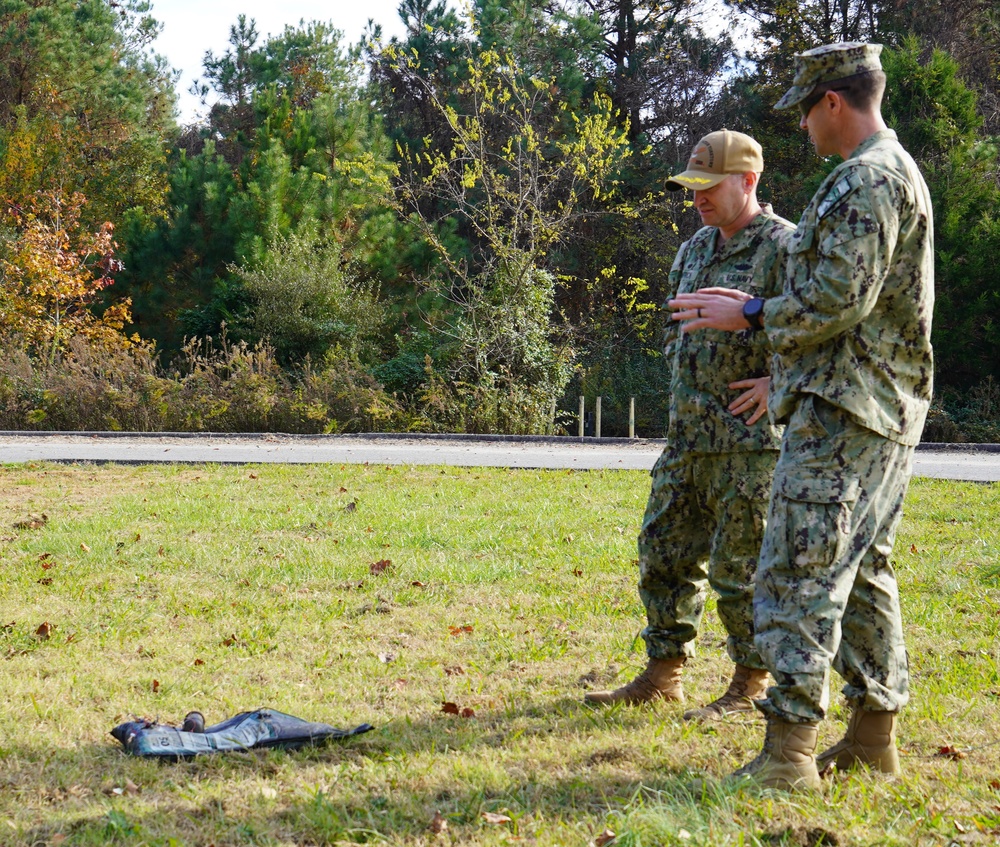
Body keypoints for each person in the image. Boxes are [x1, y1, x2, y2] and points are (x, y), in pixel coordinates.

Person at [670, 43, 934, 789]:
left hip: (844, 408)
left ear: (832, 103)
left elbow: (834, 298)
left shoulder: (866, 180)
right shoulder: (890, 172)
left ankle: (789, 752)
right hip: (874, 405)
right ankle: (873, 737)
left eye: (804, 111)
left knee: (795, 573)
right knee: (865, 570)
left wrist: (749, 312)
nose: (802, 129)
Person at [585, 130, 794, 721]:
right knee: (663, 551)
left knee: (741, 570)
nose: (696, 197)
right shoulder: (694, 249)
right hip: (687, 438)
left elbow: (821, 328)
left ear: (747, 181)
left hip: (750, 445)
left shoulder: (786, 248)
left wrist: (779, 384)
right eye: (690, 186)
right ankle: (662, 674)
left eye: (709, 185)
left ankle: (751, 681)